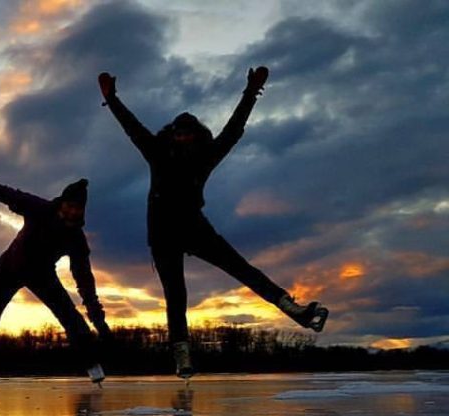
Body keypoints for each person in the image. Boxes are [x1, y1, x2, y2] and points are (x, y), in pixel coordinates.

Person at [97, 67, 329, 378]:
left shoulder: (206, 155)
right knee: (176, 295)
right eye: (179, 134)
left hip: (195, 227)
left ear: (196, 136)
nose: (184, 139)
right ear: (172, 135)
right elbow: (133, 128)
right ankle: (181, 354)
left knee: (240, 267)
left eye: (189, 134)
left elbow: (233, 131)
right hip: (163, 234)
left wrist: (251, 93)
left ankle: (291, 307)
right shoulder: (158, 152)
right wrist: (112, 99)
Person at [0, 158, 110, 390]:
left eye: (78, 208)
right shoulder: (39, 208)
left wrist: (98, 318)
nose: (73, 211)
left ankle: (92, 364)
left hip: (42, 275)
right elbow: (5, 193)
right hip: (9, 268)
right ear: (62, 203)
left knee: (69, 315)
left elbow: (84, 279)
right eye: (69, 205)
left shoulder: (76, 238)